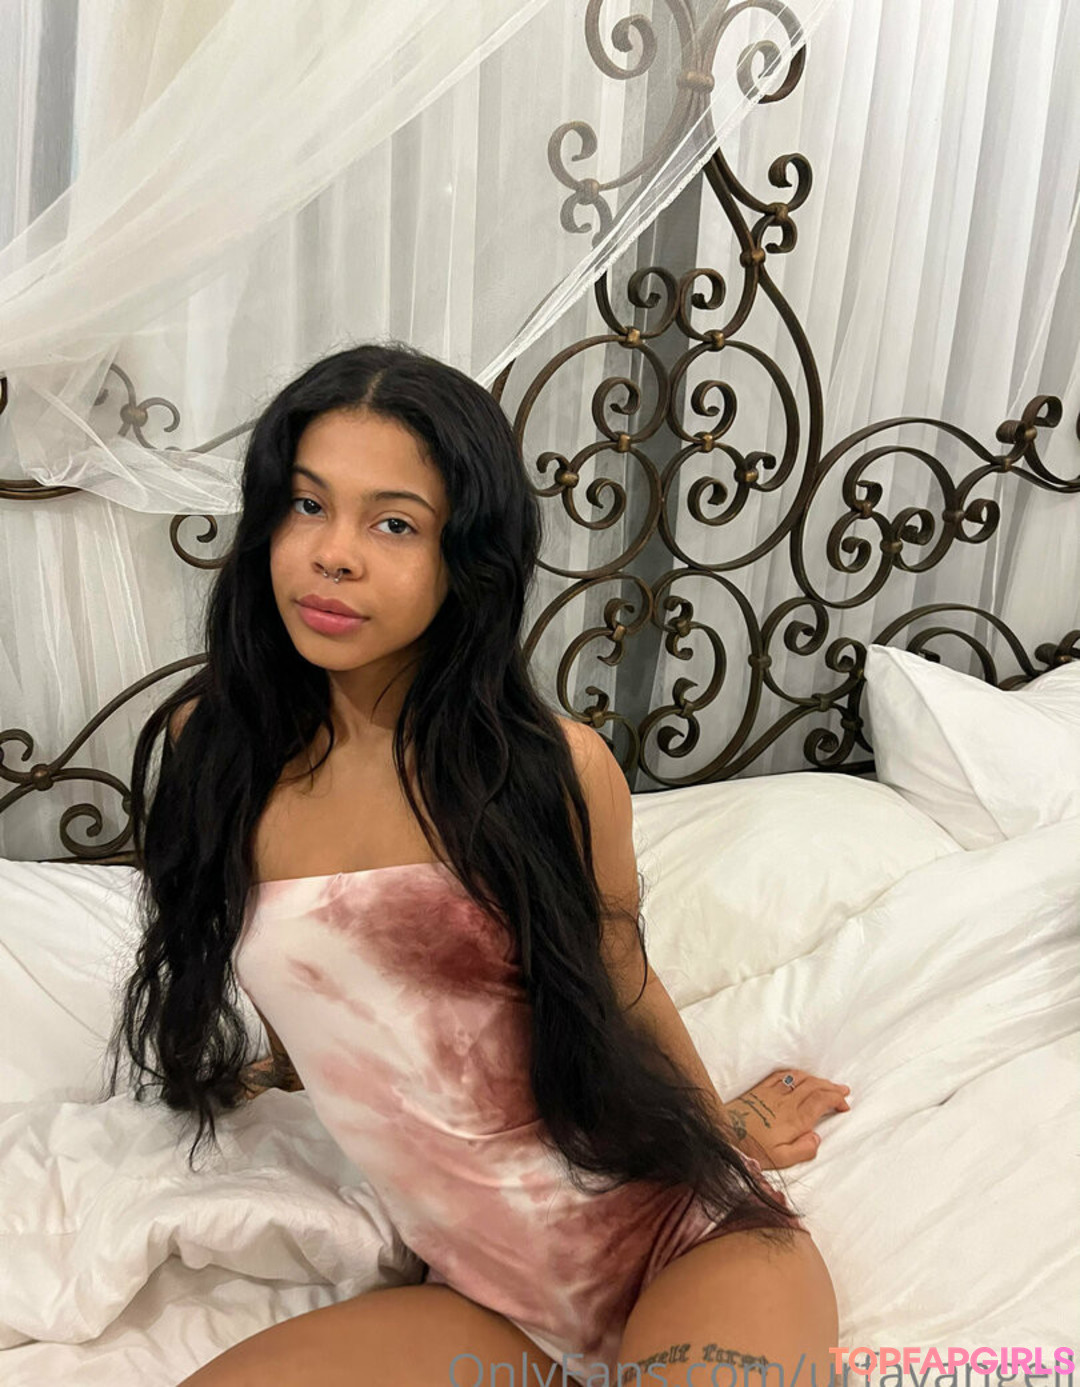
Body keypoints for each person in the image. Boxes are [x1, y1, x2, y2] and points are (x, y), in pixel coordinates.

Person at [104, 342, 850, 1387]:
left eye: (394, 524)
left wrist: (717, 1130)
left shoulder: (554, 769)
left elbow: (621, 979)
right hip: (480, 1296)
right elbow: (301, 962)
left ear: (468, 558)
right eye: (308, 505)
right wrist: (288, 1061)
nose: (333, 554)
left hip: (686, 1242)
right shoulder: (214, 750)